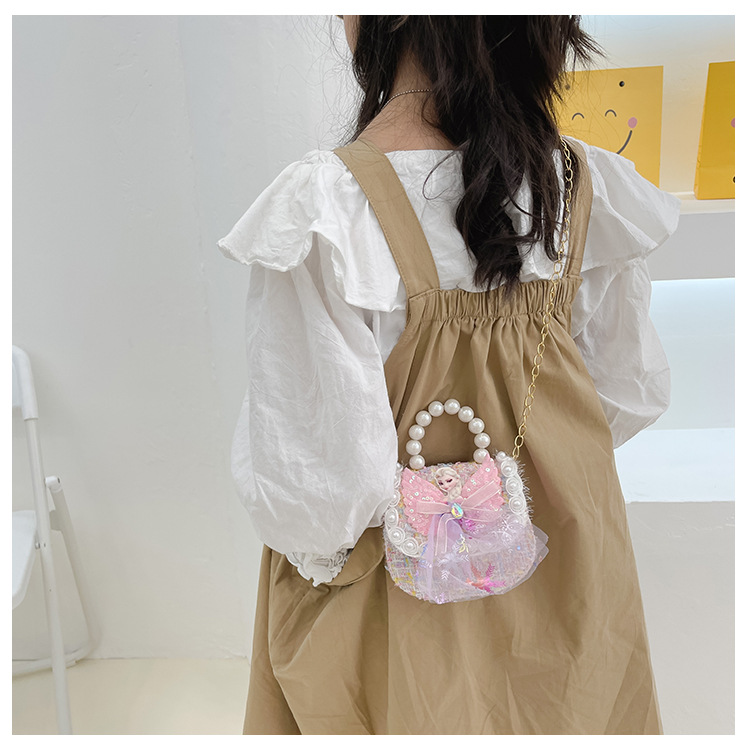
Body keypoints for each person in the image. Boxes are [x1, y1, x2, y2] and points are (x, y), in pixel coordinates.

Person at [218, 15, 679, 735]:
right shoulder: (582, 187)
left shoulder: (327, 208)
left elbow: (317, 492)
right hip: (567, 571)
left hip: (392, 600)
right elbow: (623, 394)